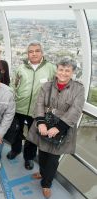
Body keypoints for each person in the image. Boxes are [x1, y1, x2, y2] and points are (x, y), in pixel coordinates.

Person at [27, 58, 85, 198]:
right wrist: (40, 122)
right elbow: (39, 103)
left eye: (67, 70)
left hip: (63, 129)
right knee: (42, 152)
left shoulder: (78, 88)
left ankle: (47, 183)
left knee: (53, 158)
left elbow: (76, 109)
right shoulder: (47, 85)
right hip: (45, 124)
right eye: (61, 69)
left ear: (72, 72)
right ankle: (41, 172)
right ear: (56, 69)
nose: (63, 73)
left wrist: (59, 127)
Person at [8, 41, 56, 170]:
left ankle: (28, 158)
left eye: (37, 51)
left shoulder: (51, 68)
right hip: (19, 107)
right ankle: (15, 150)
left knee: (32, 135)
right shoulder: (20, 68)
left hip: (38, 110)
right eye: (31, 51)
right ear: (27, 54)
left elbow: (57, 87)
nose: (34, 53)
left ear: (42, 53)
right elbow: (13, 85)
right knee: (16, 131)